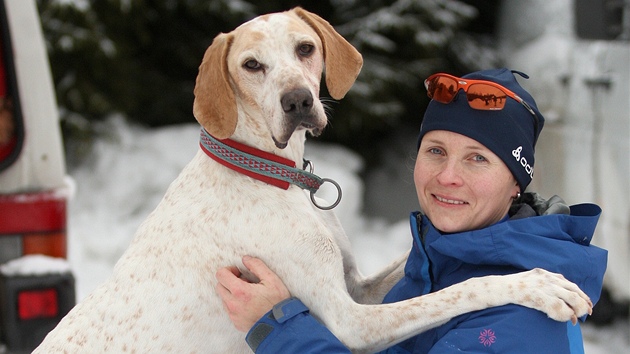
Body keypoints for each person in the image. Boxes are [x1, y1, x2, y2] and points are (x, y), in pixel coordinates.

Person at [215, 68, 608, 353]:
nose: (448, 176)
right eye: (435, 151)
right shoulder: (434, 266)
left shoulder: (521, 318)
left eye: (477, 159)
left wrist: (276, 328)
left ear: (516, 185)